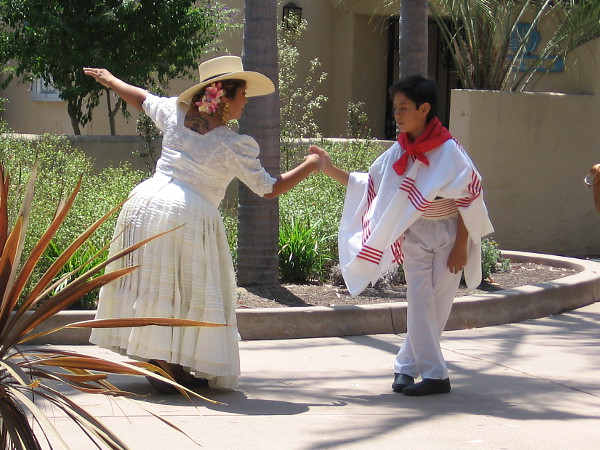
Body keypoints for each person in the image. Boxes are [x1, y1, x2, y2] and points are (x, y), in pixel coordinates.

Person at [84, 56, 321, 392]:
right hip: (185, 212)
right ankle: (165, 361)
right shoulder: (230, 143)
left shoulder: (175, 114)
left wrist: (111, 80)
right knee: (184, 287)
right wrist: (312, 163)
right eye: (243, 97)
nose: (245, 104)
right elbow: (269, 187)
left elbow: (140, 97)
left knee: (160, 285)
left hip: (144, 204)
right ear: (224, 99)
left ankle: (167, 361)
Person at [310, 74, 493, 396]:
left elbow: (469, 198)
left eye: (403, 108)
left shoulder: (449, 151)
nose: (397, 114)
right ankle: (436, 375)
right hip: (415, 234)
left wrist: (461, 245)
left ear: (424, 109)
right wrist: (328, 167)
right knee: (420, 301)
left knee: (437, 305)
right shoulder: (399, 151)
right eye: (395, 108)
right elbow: (370, 185)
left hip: (451, 234)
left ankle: (407, 366)